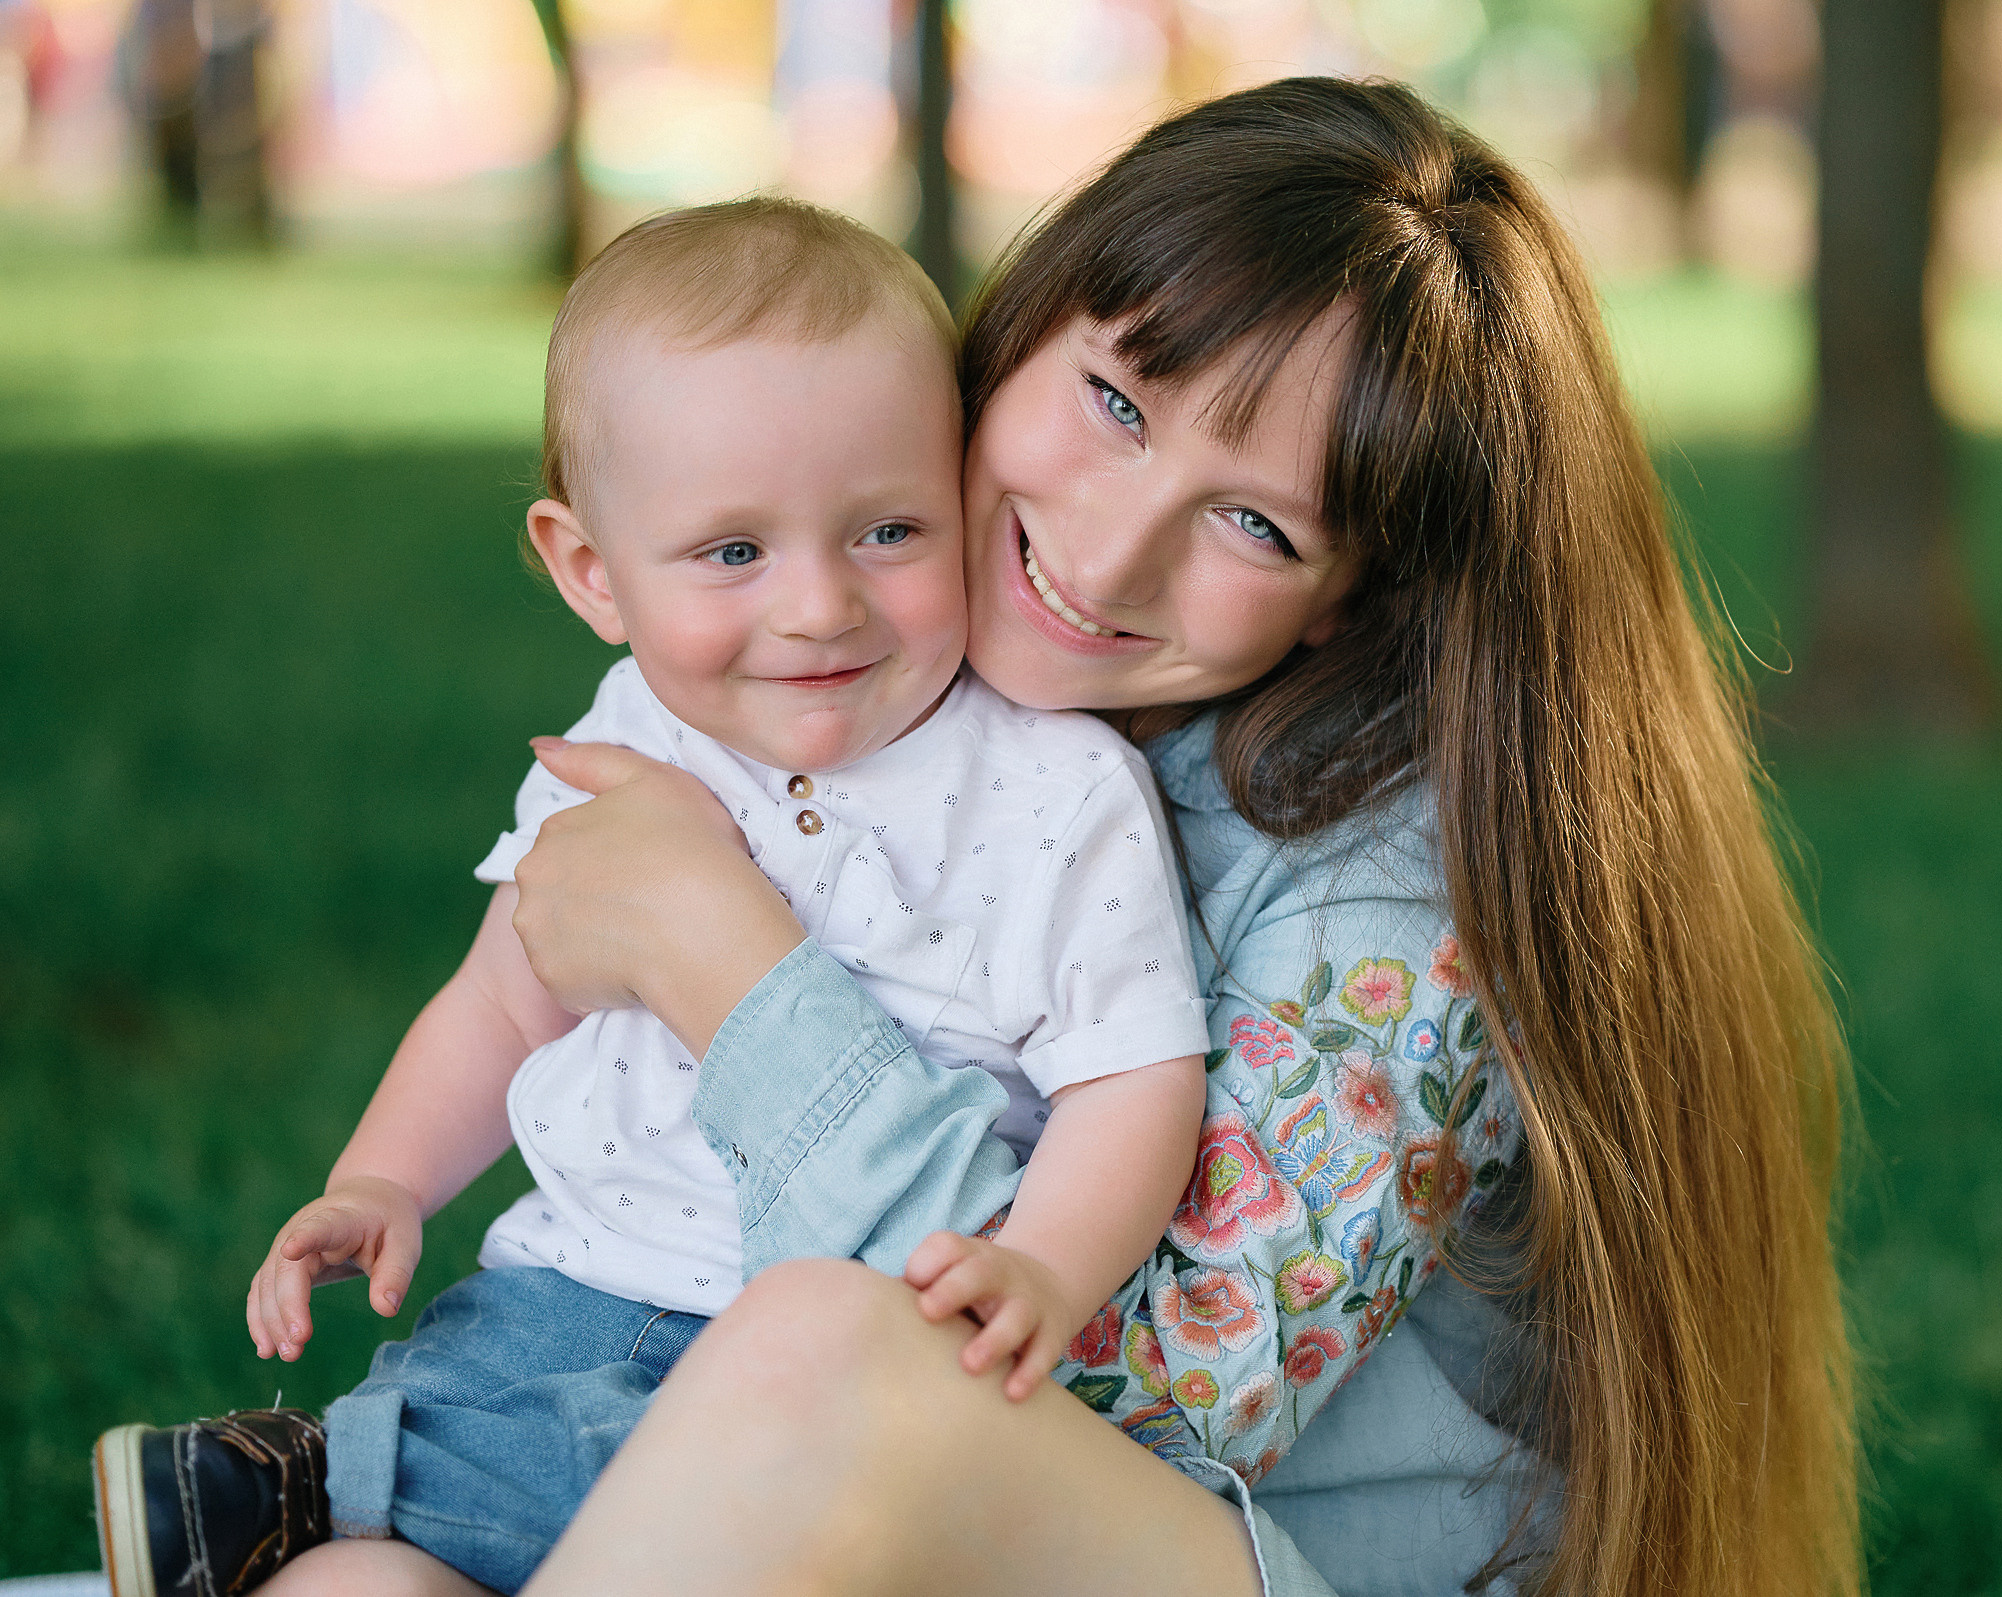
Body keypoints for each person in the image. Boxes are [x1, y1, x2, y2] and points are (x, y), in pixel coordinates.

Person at [210, 75, 1852, 1597]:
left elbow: (1108, 1396)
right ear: (1023, 315)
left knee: (816, 1350)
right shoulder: (921, 727)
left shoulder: (1405, 905)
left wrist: (723, 960)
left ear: (1369, 591)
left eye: (1256, 522)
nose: (1112, 552)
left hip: (1218, 1540)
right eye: (1119, 404)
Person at [90, 198, 1214, 1597]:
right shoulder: (627, 743)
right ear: (589, 569)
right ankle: (309, 1505)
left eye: (889, 530)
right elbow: (503, 994)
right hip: (554, 1315)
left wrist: (1043, 1267)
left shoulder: (1053, 791)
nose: (818, 606)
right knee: (359, 1583)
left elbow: (1134, 1077)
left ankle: (290, 1491)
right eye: (734, 553)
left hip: (838, 1376)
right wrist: (382, 1176)